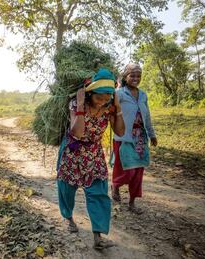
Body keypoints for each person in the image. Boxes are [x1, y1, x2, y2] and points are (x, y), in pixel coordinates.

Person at [56, 68, 125, 250]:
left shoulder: (109, 107)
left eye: (107, 97)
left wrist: (117, 109)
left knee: (98, 192)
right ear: (89, 94)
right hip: (73, 151)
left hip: (94, 153)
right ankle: (68, 217)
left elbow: (120, 132)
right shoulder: (76, 103)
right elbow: (77, 133)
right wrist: (79, 107)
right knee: (67, 188)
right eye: (99, 97)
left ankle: (98, 235)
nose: (103, 101)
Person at [111, 63, 157, 214]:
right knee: (124, 169)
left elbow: (147, 116)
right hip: (123, 138)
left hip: (140, 139)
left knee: (137, 173)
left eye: (138, 76)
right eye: (132, 75)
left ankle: (132, 203)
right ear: (125, 77)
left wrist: (152, 134)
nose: (136, 78)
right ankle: (115, 185)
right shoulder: (119, 93)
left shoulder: (143, 95)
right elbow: (110, 111)